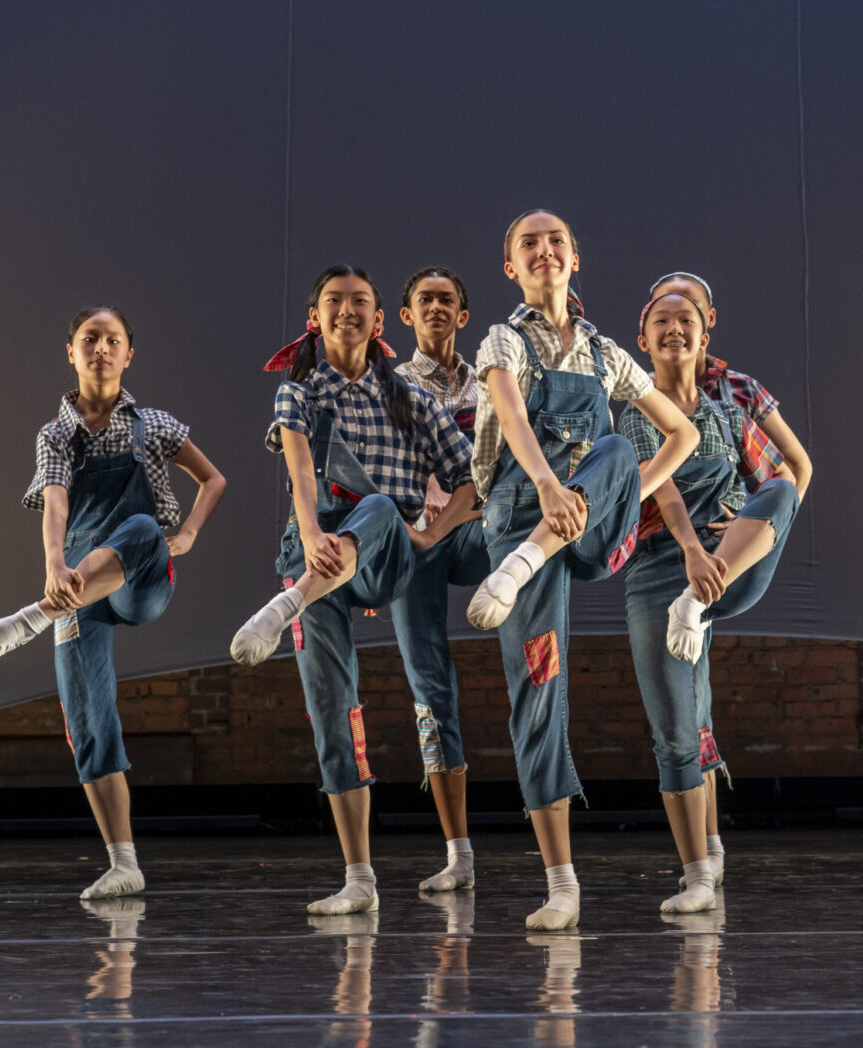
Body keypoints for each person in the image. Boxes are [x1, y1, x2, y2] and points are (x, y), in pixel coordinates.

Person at [466, 209, 698, 930]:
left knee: (620, 452)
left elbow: (682, 431)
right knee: (539, 686)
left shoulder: (604, 353)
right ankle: (561, 883)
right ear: (512, 267)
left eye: (554, 241)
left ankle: (535, 553)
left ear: (574, 260)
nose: (543, 251)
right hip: (519, 510)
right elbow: (507, 407)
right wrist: (544, 485)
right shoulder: (503, 337)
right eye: (527, 245)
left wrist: (614, 496)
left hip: (585, 527)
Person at [229, 265, 478, 914]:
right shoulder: (298, 393)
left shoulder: (414, 400)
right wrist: (311, 533)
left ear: (378, 321)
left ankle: (284, 607)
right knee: (331, 710)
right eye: (334, 301)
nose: (347, 310)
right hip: (313, 555)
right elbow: (300, 467)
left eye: (360, 302)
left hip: (382, 549)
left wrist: (434, 533)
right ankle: (359, 878)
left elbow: (471, 480)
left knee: (380, 510)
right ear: (315, 317)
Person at [0, 306, 226, 900]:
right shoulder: (55, 434)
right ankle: (123, 863)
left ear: (129, 354)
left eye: (113, 340)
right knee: (88, 723)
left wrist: (187, 536)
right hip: (76, 587)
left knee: (141, 527)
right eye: (89, 339)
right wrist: (54, 564)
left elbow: (213, 479)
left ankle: (29, 619)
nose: (100, 348)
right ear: (71, 353)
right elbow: (55, 505)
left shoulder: (153, 424)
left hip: (141, 577)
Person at [621, 292, 801, 913]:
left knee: (781, 493)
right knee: (679, 727)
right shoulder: (633, 404)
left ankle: (697, 605)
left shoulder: (728, 408)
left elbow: (787, 477)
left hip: (725, 568)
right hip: (662, 568)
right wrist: (694, 553)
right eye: (661, 322)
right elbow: (663, 488)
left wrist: (734, 536)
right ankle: (700, 868)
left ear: (704, 337)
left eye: (686, 321)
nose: (674, 329)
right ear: (642, 338)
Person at [390, 265, 490, 892]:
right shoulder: (390, 386)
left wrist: (451, 514)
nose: (435, 307)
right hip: (417, 545)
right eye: (424, 299)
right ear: (407, 316)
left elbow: (491, 479)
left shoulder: (492, 382)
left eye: (446, 299)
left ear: (462, 314)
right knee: (431, 689)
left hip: (475, 532)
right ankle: (459, 855)